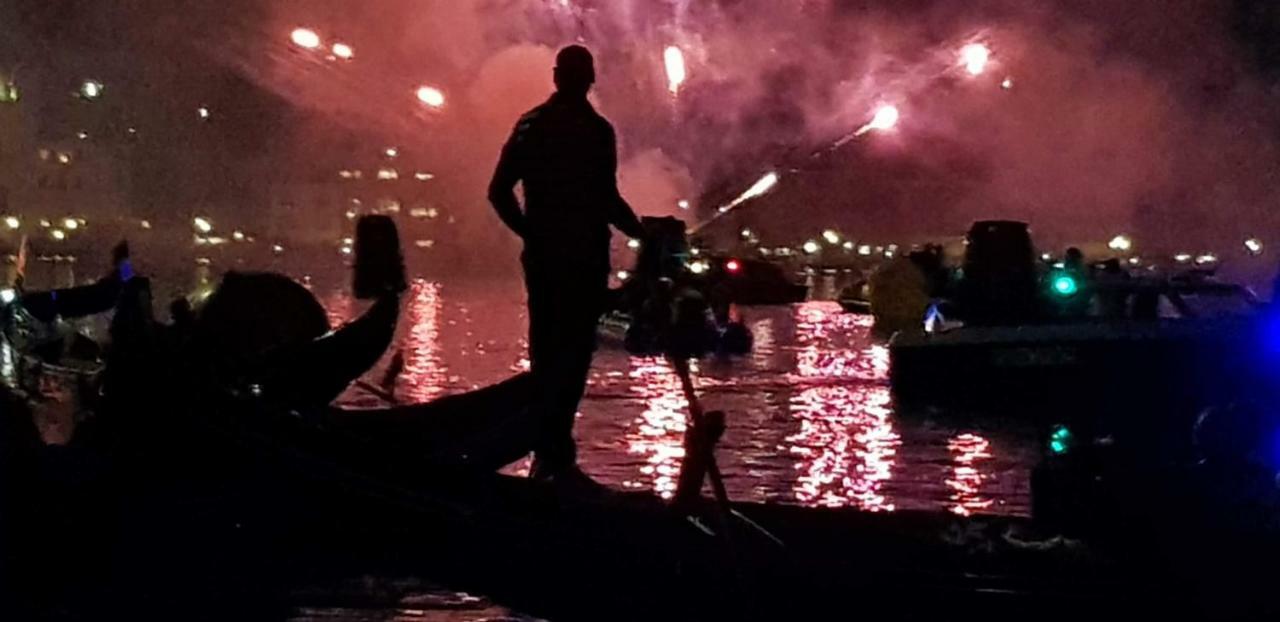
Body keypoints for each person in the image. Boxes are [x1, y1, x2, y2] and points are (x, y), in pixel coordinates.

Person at [489, 45, 646, 484]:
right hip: (584, 260)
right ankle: (557, 452)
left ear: (556, 77)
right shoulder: (598, 132)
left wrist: (530, 234)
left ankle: (548, 450)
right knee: (575, 355)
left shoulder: (530, 125)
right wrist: (642, 234)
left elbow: (498, 192)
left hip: (544, 260)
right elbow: (607, 199)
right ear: (589, 80)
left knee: (545, 349)